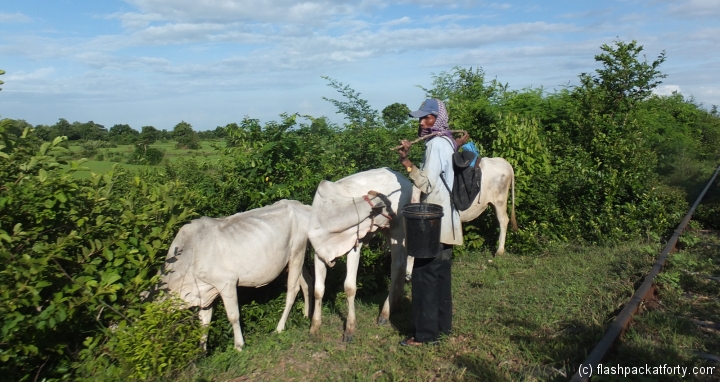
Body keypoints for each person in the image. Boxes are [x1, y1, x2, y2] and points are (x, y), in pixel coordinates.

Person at [397, 98, 463, 346]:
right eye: (421, 118)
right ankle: (442, 328)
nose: (423, 121)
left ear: (439, 118)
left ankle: (424, 336)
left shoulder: (436, 144)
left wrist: (406, 162)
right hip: (448, 220)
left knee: (424, 277)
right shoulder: (448, 141)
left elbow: (427, 183)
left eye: (428, 117)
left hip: (433, 221)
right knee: (441, 276)